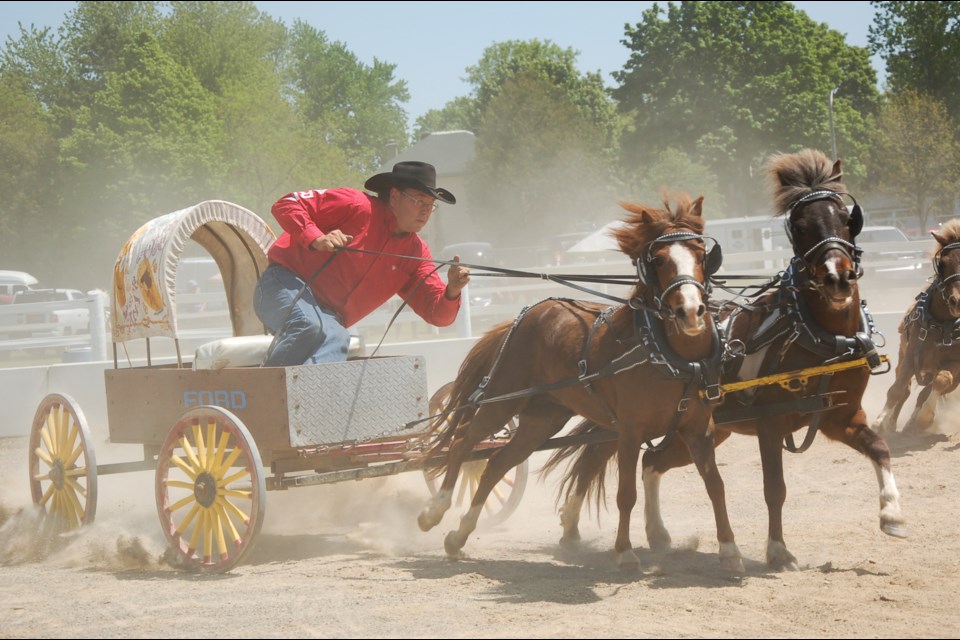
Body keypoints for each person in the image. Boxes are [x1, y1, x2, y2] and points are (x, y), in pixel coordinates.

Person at [254, 160, 471, 366]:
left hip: (327, 317)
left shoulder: (417, 253)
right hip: (282, 285)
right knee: (310, 326)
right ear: (394, 196)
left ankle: (309, 400)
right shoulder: (356, 204)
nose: (425, 210)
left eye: (431, 205)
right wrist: (316, 237)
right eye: (419, 200)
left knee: (338, 336)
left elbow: (437, 314)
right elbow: (287, 203)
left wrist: (452, 290)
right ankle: (268, 393)